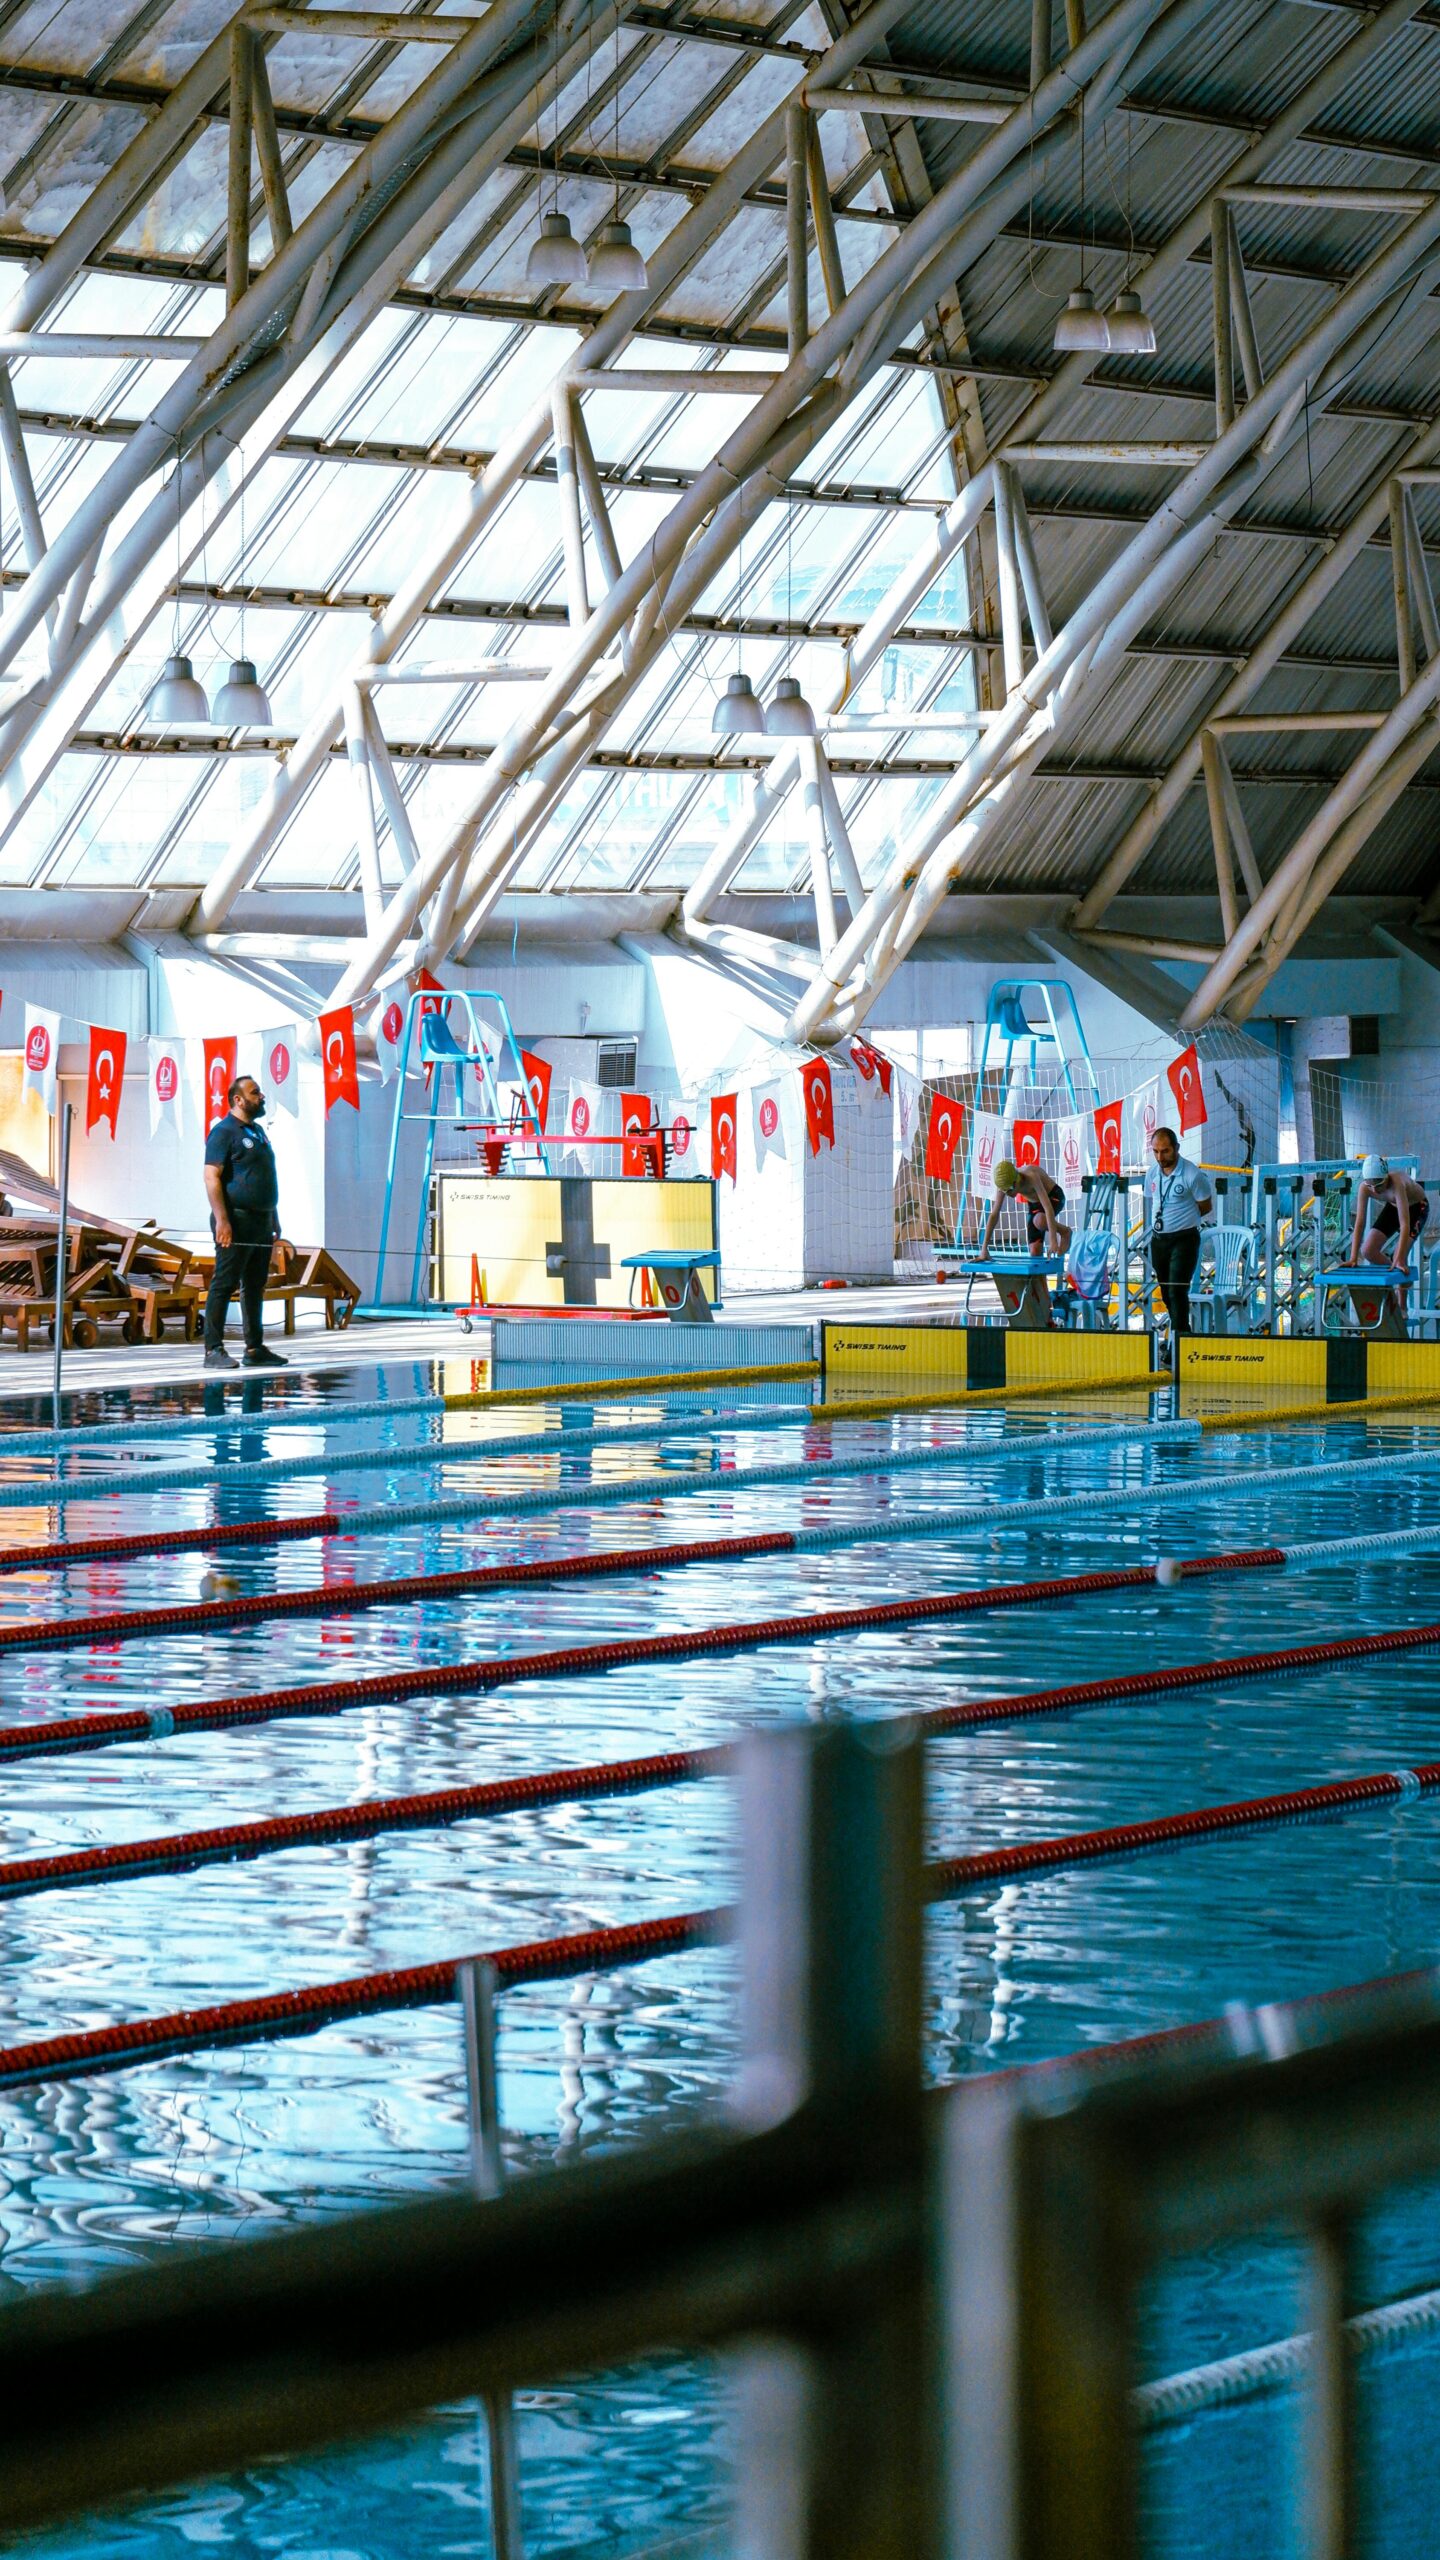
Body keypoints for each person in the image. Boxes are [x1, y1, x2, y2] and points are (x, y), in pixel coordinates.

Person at [202, 1074, 289, 1370]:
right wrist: (222, 1221)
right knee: (224, 1283)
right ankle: (213, 1350)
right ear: (238, 1099)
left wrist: (273, 1214)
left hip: (261, 1220)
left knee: (255, 1284)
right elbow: (211, 1177)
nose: (261, 1096)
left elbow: (262, 1176)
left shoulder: (259, 1132)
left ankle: (254, 1347)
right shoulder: (224, 1132)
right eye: (255, 1093)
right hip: (235, 1221)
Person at [1145, 1125, 1212, 1337]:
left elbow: (1205, 1206)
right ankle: (1182, 1335)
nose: (1160, 1156)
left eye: (1165, 1151)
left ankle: (1179, 1342)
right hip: (1159, 1240)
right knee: (1166, 1292)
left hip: (1184, 1239)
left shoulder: (1192, 1174)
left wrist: (1183, 1221)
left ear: (1176, 1148)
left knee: (1177, 1290)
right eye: (1156, 1151)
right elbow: (1153, 1201)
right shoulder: (1152, 1173)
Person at [980, 1157, 1071, 1260]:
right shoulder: (1004, 1184)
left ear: (1016, 1182)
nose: (1008, 1194)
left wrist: (1053, 1240)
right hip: (1035, 1205)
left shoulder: (1031, 1176)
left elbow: (1047, 1207)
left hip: (1054, 1197)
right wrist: (984, 1249)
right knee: (1034, 1252)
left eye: (1009, 1190)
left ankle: (1065, 1232)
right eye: (1005, 1191)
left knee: (1039, 1220)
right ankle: (1040, 1276)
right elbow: (994, 1214)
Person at [1349, 1154, 1429, 1271]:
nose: (1375, 1190)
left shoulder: (1397, 1184)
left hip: (1418, 1208)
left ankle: (1402, 1283)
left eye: (1379, 1185)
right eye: (1371, 1186)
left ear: (1386, 1177)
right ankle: (1396, 1278)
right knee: (1368, 1251)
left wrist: (1399, 1258)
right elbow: (1360, 1223)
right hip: (1394, 1207)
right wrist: (1353, 1258)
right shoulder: (1364, 1188)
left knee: (1399, 1257)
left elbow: (1404, 1225)